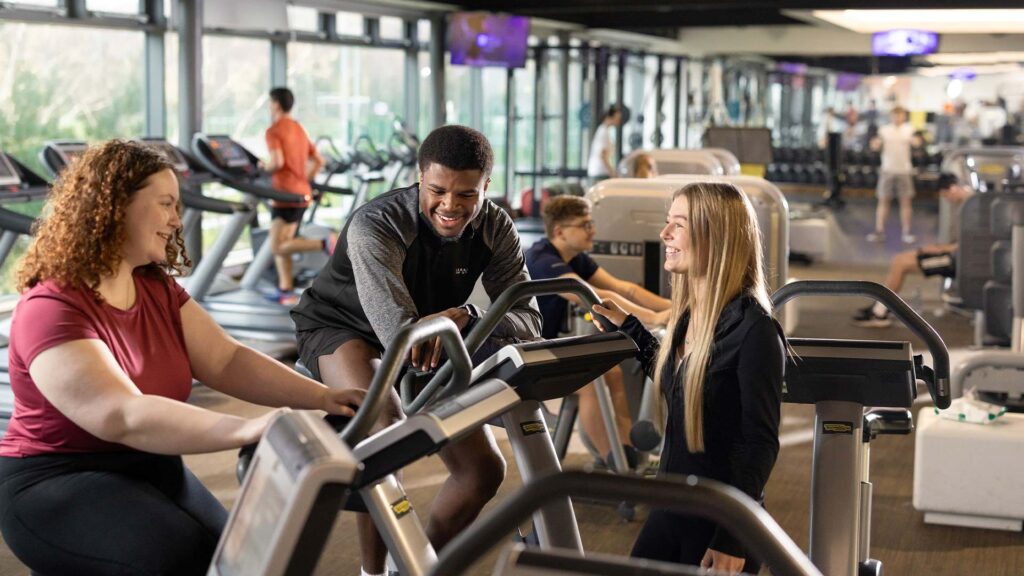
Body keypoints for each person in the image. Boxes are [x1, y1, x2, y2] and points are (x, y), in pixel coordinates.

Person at [0, 140, 364, 576]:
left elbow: (225, 360)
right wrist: (246, 428)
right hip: (55, 478)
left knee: (241, 557)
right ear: (115, 207)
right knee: (179, 559)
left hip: (151, 462)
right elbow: (122, 415)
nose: (177, 219)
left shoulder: (155, 288)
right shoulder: (52, 307)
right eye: (166, 204)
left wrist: (325, 397)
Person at [290, 125, 541, 576]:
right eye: (438, 190)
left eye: (466, 194)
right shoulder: (377, 224)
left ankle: (417, 566)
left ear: (487, 186)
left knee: (484, 471)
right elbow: (398, 335)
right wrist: (464, 323)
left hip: (433, 333)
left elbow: (529, 320)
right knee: (385, 428)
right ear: (419, 176)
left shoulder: (496, 227)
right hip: (343, 327)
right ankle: (374, 572)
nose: (450, 206)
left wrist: (467, 313)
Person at [592, 182, 785, 574]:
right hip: (673, 502)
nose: (664, 235)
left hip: (719, 518)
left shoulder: (755, 330)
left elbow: (758, 443)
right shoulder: (690, 315)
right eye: (668, 223)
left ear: (715, 236)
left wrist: (733, 536)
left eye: (677, 225)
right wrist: (630, 330)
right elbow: (679, 383)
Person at [525, 196, 670, 468]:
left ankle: (629, 454)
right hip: (525, 353)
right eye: (585, 224)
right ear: (560, 232)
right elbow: (593, 296)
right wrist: (652, 317)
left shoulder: (574, 257)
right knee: (589, 383)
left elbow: (623, 288)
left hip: (546, 345)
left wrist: (673, 308)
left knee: (612, 372)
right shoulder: (541, 259)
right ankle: (614, 461)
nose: (593, 230)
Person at [853, 172, 972, 327]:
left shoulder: (971, 207)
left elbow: (968, 244)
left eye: (945, 195)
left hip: (954, 258)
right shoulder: (966, 205)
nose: (946, 200)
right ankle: (881, 308)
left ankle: (880, 313)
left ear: (953, 189)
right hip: (951, 253)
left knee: (901, 263)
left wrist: (939, 249)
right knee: (899, 260)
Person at [261, 86, 330, 305]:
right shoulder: (299, 129)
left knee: (277, 246)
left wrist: (263, 167)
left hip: (285, 196)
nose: (270, 107)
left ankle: (325, 243)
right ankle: (286, 291)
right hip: (299, 193)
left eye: (270, 103)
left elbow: (277, 163)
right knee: (283, 243)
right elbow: (319, 160)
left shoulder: (274, 131)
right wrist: (304, 179)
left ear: (276, 104)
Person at [868, 106, 917, 244]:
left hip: (904, 171)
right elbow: (875, 146)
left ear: (904, 116)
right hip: (887, 170)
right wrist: (875, 144)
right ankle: (879, 231)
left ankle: (906, 232)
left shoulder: (909, 129)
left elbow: (918, 143)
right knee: (883, 201)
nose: (897, 118)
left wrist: (917, 142)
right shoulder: (884, 130)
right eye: (895, 115)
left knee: (906, 202)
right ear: (891, 116)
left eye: (900, 115)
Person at [587, 103, 623, 182]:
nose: (618, 121)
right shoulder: (603, 132)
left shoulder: (604, 131)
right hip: (600, 173)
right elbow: (603, 155)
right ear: (610, 117)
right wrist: (612, 172)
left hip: (600, 172)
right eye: (617, 118)